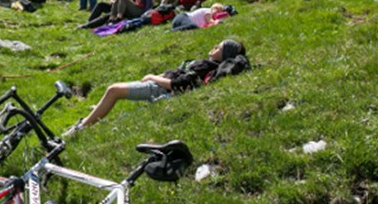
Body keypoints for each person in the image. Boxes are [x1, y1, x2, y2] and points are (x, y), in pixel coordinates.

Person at [63, 39, 248, 135]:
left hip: (160, 89)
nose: (214, 47)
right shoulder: (207, 65)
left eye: (219, 47)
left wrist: (153, 77)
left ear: (224, 55)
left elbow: (178, 85)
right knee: (112, 93)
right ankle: (93, 115)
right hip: (158, 84)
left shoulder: (206, 66)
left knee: (113, 90)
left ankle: (81, 127)